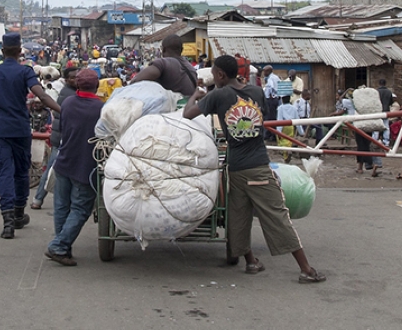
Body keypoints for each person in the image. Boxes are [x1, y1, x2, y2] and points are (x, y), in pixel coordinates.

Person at [183, 55, 326, 283]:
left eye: (215, 74)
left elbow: (187, 114)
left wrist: (196, 95)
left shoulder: (218, 95)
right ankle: (304, 269)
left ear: (220, 75)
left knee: (239, 217)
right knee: (276, 214)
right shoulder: (257, 93)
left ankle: (253, 262)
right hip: (258, 164)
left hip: (236, 167)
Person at [0, 32, 61, 239]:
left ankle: (7, 221)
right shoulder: (25, 72)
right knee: (20, 171)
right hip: (19, 128)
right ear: (20, 51)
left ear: (2, 51)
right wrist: (62, 111)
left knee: (3, 173)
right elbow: (42, 95)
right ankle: (19, 212)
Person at [44, 69, 104, 266]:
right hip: (85, 166)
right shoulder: (100, 108)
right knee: (80, 208)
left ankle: (63, 248)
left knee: (62, 207)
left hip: (64, 161)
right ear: (97, 86)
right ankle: (59, 246)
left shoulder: (68, 103)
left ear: (77, 85)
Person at [32, 66, 79, 210]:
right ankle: (38, 199)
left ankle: (38, 199)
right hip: (62, 137)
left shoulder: (70, 92)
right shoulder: (69, 94)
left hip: (62, 136)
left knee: (53, 168)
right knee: (52, 169)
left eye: (77, 77)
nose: (75, 79)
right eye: (72, 77)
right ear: (66, 79)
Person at [130, 34, 200, 102]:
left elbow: (135, 80)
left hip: (174, 109)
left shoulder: (163, 63)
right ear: (181, 50)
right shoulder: (191, 67)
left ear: (163, 50)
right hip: (190, 105)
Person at [275, 93, 298, 163]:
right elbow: (298, 119)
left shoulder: (280, 108)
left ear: (282, 100)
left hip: (283, 126)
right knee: (289, 139)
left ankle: (285, 155)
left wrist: (278, 131)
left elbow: (279, 120)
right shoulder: (294, 108)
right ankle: (288, 150)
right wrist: (301, 131)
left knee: (282, 140)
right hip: (291, 126)